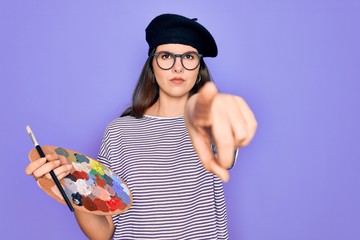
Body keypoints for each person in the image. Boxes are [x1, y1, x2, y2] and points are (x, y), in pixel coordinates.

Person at [25, 13, 257, 239]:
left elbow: (225, 158)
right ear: (152, 67)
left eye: (188, 57)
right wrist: (70, 186)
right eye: (166, 56)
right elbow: (103, 233)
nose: (178, 67)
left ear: (199, 69)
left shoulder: (211, 122)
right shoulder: (119, 132)